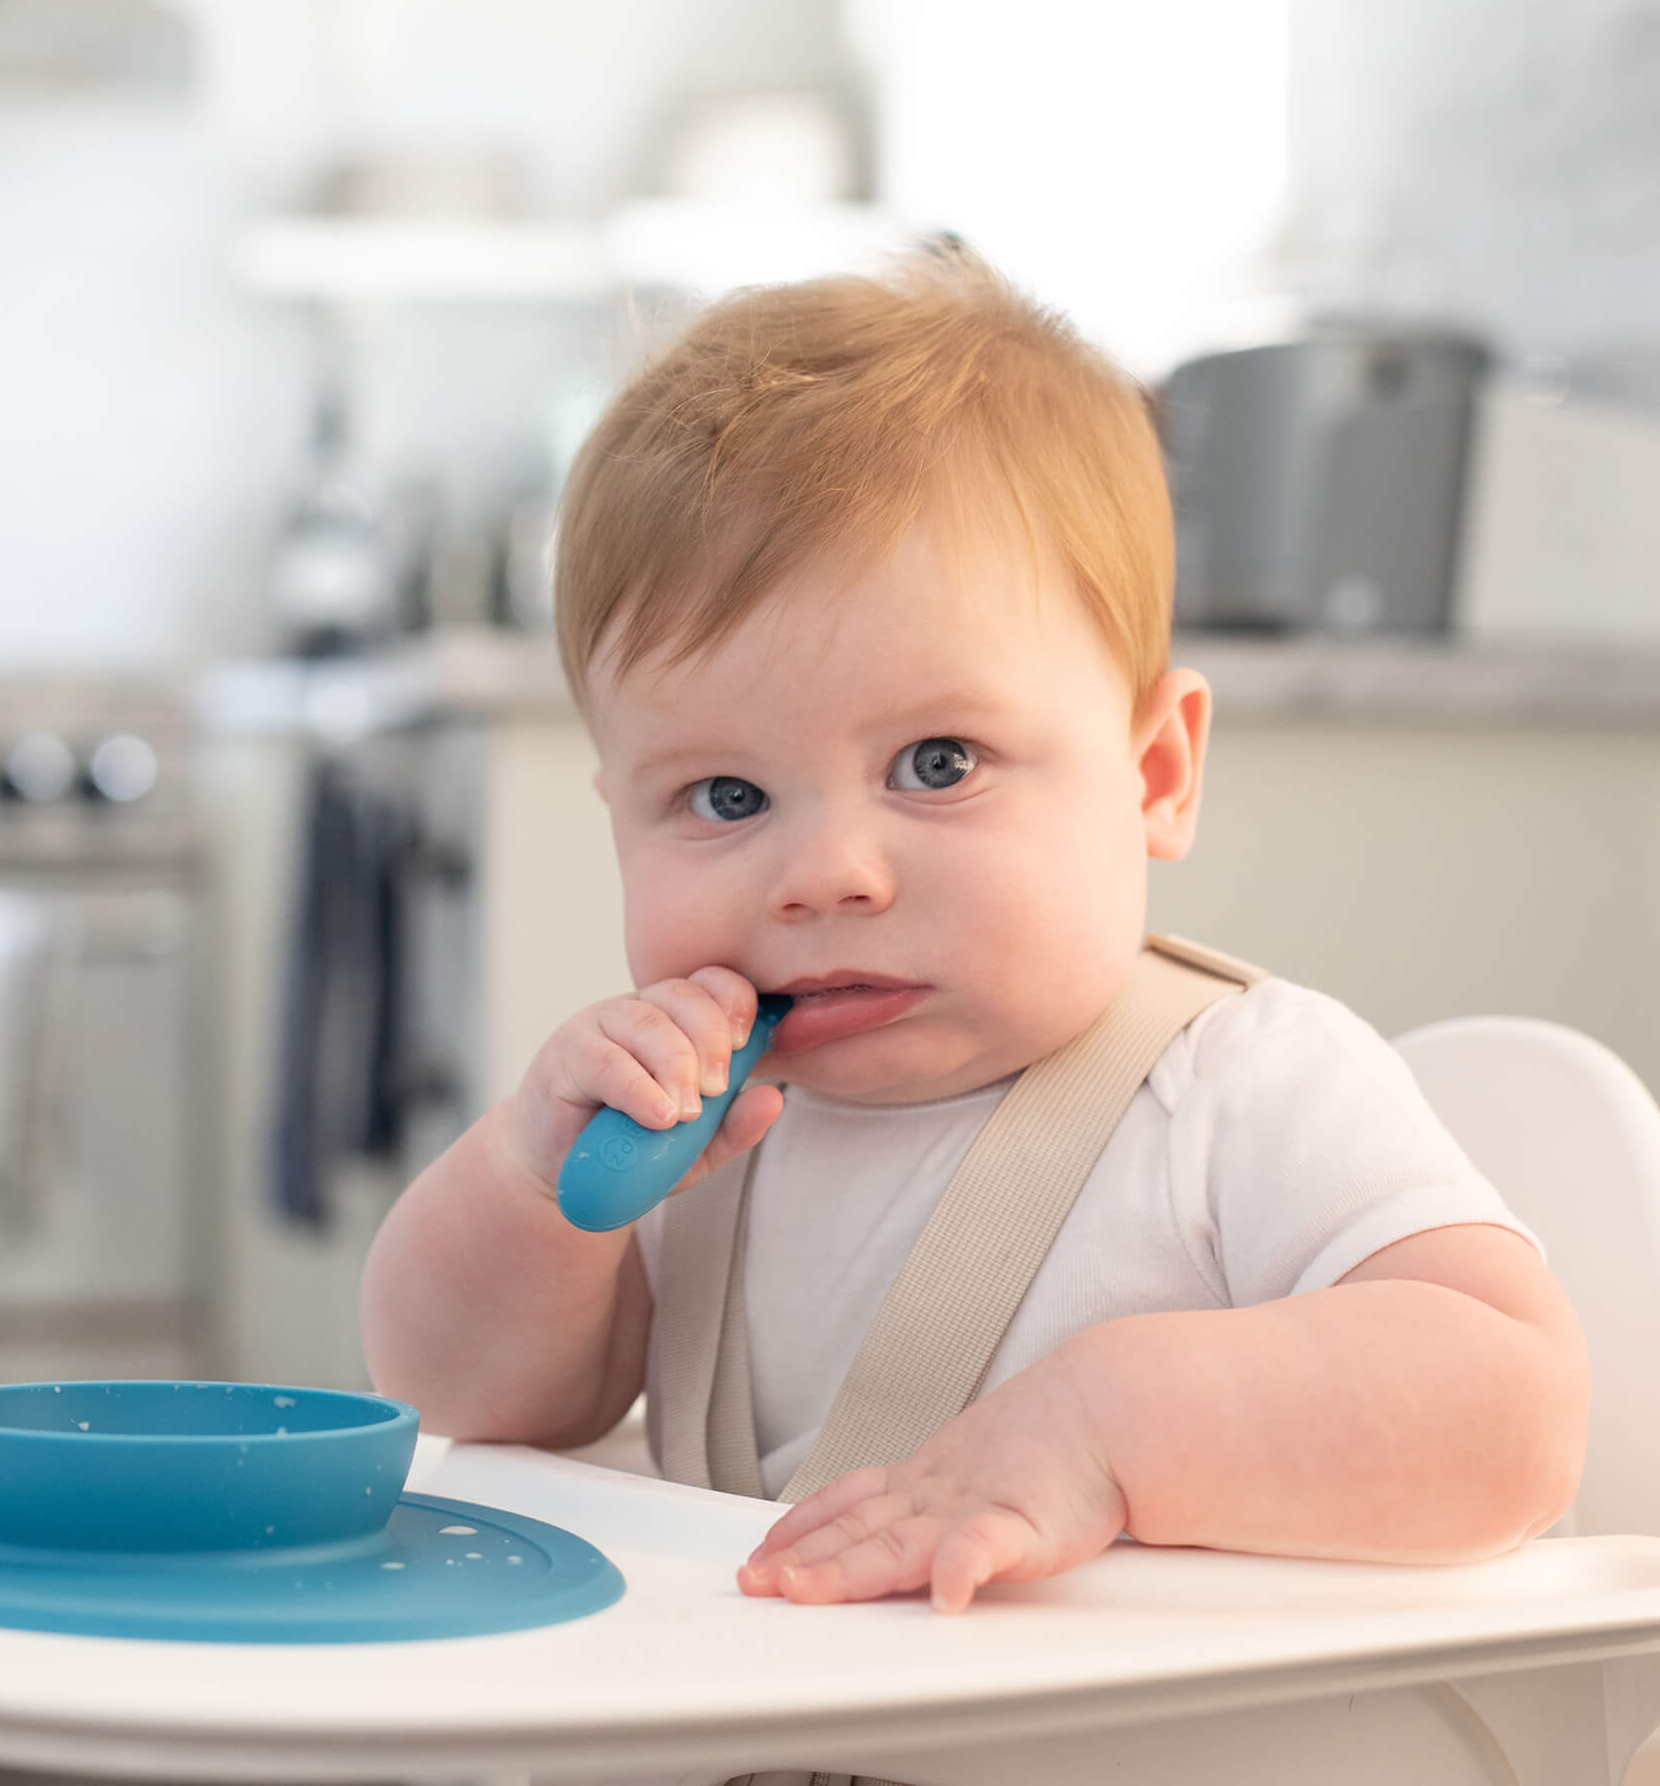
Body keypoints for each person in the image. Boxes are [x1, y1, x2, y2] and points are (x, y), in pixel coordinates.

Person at [360, 246, 1588, 1617]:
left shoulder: (1238, 1092)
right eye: (725, 796)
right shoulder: (697, 1138)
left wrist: (1113, 1426)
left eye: (939, 763)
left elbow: (1515, 1413)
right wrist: (533, 1184)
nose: (825, 874)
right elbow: (460, 1398)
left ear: (1155, 776)